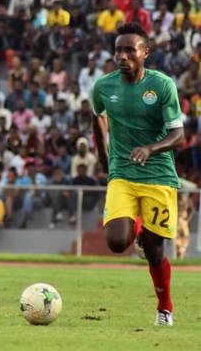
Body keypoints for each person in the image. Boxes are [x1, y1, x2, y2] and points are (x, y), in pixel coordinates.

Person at [92, 23, 184, 326]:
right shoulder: (104, 87)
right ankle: (138, 229)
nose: (123, 56)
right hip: (122, 172)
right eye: (118, 50)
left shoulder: (162, 86)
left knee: (155, 251)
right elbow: (97, 118)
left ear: (146, 52)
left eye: (130, 50)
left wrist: (151, 148)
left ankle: (164, 307)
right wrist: (104, 158)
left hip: (158, 176)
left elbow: (177, 134)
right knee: (117, 242)